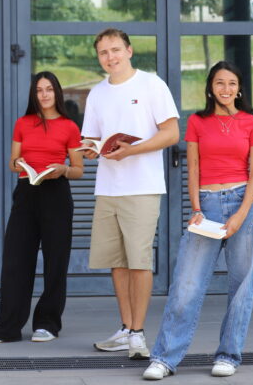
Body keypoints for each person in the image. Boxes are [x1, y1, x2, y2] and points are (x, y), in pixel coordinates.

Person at [143, 61, 253, 380]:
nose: (225, 89)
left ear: (239, 89)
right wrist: (196, 207)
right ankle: (164, 358)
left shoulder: (252, 122)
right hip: (207, 206)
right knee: (186, 285)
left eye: (232, 83)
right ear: (210, 87)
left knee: (242, 286)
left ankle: (228, 355)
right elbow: (193, 168)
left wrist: (240, 215)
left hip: (244, 204)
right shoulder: (197, 122)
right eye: (219, 83)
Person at [84, 28, 179, 359]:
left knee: (139, 262)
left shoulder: (152, 85)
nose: (110, 57)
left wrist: (132, 150)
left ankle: (138, 333)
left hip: (143, 187)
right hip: (107, 188)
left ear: (129, 50)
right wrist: (91, 149)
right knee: (117, 263)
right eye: (103, 53)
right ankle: (125, 329)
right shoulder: (96, 94)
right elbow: (91, 138)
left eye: (115, 50)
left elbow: (171, 133)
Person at [0, 71, 84, 344]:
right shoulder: (23, 123)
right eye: (39, 90)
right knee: (16, 260)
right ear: (33, 95)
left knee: (55, 262)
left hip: (57, 194)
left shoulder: (70, 127)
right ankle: (7, 327)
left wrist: (62, 169)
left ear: (57, 93)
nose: (44, 94)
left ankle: (47, 324)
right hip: (27, 191)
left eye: (49, 89)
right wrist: (20, 165)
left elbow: (78, 170)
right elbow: (13, 162)